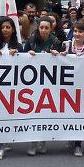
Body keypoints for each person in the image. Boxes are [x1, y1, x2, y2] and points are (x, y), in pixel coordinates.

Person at [58, 20, 84, 157]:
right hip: (68, 86)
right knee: (68, 112)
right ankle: (70, 137)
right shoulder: (66, 45)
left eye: (80, 31)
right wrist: (60, 55)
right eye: (75, 31)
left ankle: (78, 144)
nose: (77, 34)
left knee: (80, 114)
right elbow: (57, 61)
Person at [23, 16, 61, 156]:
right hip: (32, 82)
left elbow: (63, 60)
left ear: (51, 29)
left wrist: (58, 56)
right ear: (38, 28)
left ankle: (42, 141)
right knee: (33, 112)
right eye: (41, 28)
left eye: (46, 28)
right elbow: (21, 56)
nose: (44, 30)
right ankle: (33, 142)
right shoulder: (31, 40)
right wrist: (28, 54)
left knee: (45, 112)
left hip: (49, 82)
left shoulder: (56, 42)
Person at [0, 16, 23, 161]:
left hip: (11, 87)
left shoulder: (18, 46)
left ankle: (5, 140)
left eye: (8, 27)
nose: (5, 30)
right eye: (3, 27)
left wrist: (21, 55)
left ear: (13, 30)